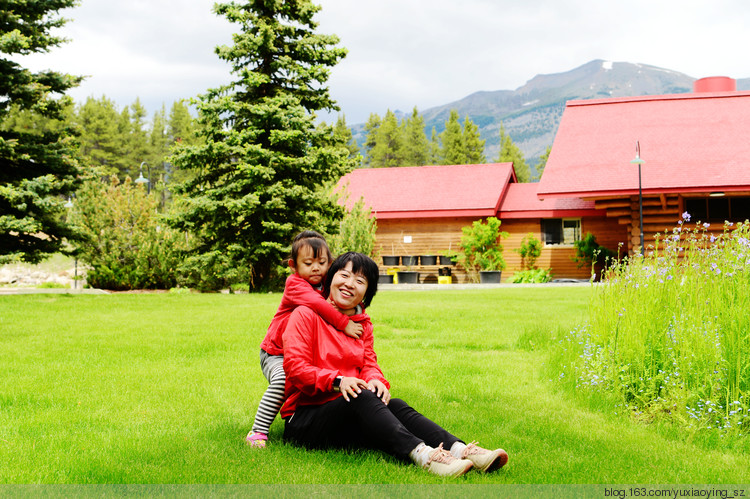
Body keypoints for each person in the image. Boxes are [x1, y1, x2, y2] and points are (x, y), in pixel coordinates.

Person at [281, 252, 509, 477]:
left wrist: (376, 380)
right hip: (304, 419)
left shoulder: (362, 325)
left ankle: (460, 450)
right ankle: (425, 456)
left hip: (347, 411)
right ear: (330, 278)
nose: (349, 284)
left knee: (395, 404)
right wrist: (338, 381)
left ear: (366, 294)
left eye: (359, 281)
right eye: (344, 275)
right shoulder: (305, 314)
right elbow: (295, 367)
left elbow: (369, 362)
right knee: (361, 395)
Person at [246, 231, 364, 448]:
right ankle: (258, 430)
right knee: (283, 381)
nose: (316, 268)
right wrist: (344, 323)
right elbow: (319, 305)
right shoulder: (295, 285)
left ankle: (320, 418)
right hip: (276, 352)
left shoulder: (327, 283)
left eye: (322, 262)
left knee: (317, 378)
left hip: (304, 350)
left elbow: (343, 299)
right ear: (294, 265)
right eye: (308, 263)